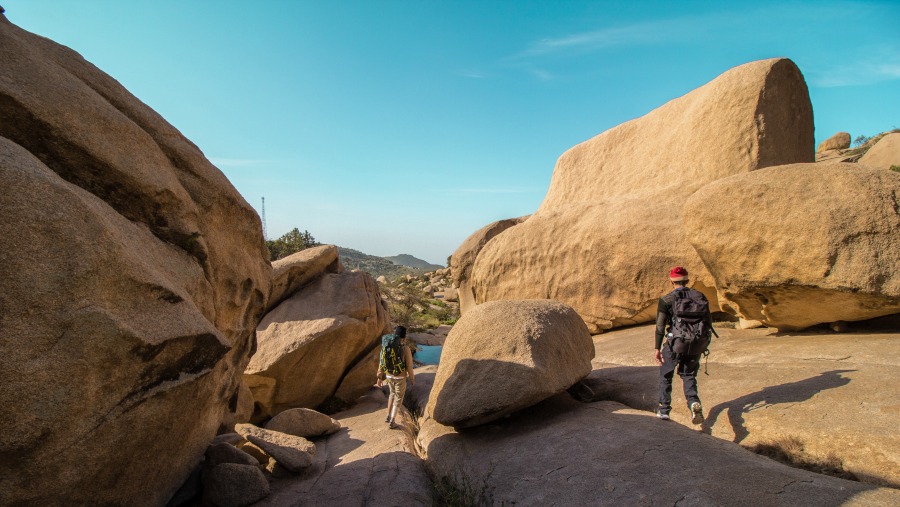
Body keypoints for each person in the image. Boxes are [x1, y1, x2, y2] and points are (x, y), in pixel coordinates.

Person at [654, 266, 711, 425]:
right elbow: (708, 322)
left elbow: (660, 327)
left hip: (675, 343)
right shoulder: (700, 296)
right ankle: (693, 402)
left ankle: (664, 410)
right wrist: (704, 344)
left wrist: (657, 348)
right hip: (696, 343)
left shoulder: (666, 300)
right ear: (687, 280)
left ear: (671, 281)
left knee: (666, 374)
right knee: (688, 375)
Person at [376, 325, 415, 429]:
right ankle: (392, 421)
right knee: (398, 398)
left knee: (392, 394)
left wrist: (379, 377)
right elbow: (410, 366)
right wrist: (412, 378)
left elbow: (381, 362)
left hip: (389, 375)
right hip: (400, 377)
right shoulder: (405, 348)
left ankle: (388, 416)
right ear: (404, 337)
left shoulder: (386, 346)